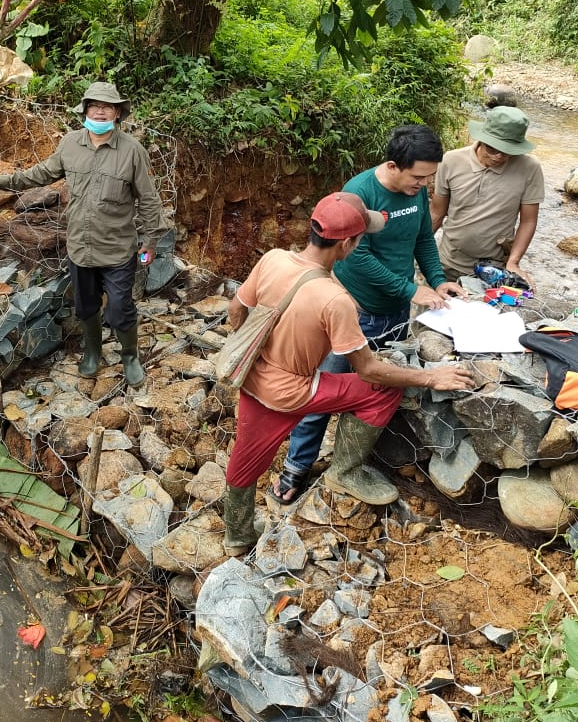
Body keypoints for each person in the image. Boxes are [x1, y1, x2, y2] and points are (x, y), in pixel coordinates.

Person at [222, 192, 473, 555]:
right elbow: (369, 371)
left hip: (251, 378)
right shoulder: (333, 300)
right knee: (383, 392)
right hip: (294, 390)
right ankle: (344, 472)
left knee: (245, 460)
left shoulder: (273, 259)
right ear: (346, 243)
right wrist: (432, 377)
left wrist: (254, 355)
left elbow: (236, 309)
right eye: (360, 238)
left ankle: (238, 537)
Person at [272, 124, 464, 505]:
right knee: (322, 391)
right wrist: (411, 290)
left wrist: (437, 281)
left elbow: (424, 238)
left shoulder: (417, 194)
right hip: (354, 311)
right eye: (418, 177)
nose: (425, 185)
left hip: (394, 312)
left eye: (431, 177)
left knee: (381, 388)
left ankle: (352, 462)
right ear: (393, 165)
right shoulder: (360, 193)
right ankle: (296, 466)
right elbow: (357, 257)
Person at [0, 82, 165, 387]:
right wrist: (3, 181)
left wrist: (150, 241)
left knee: (121, 308)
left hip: (117, 249)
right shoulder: (70, 144)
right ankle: (92, 353)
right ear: (85, 110)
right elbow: (40, 174)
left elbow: (148, 199)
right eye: (94, 106)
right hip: (80, 247)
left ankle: (130, 356)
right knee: (85, 306)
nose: (100, 111)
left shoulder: (133, 151)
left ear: (117, 113)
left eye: (107, 107)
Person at [430, 106, 544, 286]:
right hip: (447, 262)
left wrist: (513, 262)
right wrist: (414, 250)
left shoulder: (530, 168)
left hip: (493, 269)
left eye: (508, 151)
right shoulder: (451, 161)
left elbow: (528, 221)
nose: (499, 156)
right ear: (482, 139)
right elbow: (436, 212)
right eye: (493, 148)